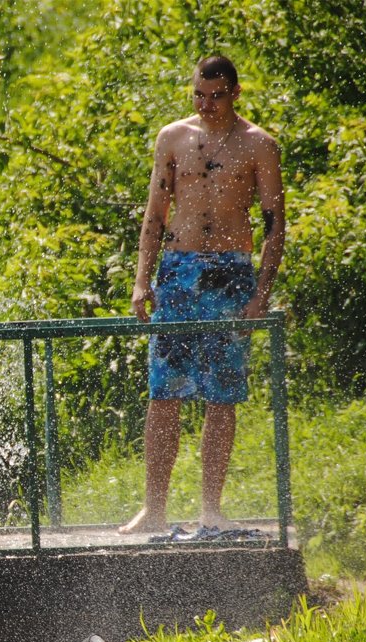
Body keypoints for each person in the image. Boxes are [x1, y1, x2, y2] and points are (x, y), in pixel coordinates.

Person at [119, 55, 285, 535]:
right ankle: (155, 507)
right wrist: (140, 280)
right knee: (163, 393)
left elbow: (275, 225)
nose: (207, 103)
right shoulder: (173, 137)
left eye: (216, 94)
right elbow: (155, 211)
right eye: (199, 94)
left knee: (221, 395)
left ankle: (211, 507)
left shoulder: (259, 145)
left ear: (235, 92)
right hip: (178, 269)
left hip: (231, 273)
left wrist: (260, 293)